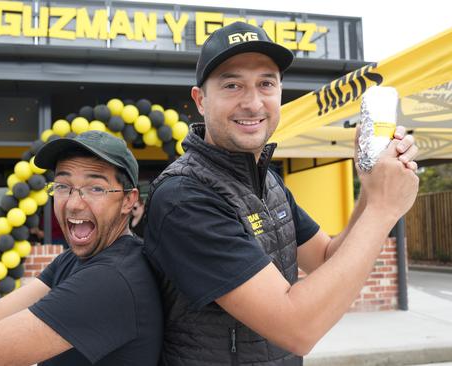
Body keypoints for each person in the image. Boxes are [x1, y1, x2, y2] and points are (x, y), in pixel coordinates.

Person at [144, 21, 420, 366]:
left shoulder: (267, 181)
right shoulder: (184, 197)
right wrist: (382, 209)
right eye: (232, 85)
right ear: (200, 100)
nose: (253, 102)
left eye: (266, 84)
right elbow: (298, 329)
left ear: (280, 92)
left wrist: (369, 185)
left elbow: (327, 258)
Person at [0, 132, 162, 365]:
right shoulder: (75, 260)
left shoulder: (112, 280)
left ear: (128, 200)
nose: (73, 204)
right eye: (63, 186)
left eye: (95, 188)